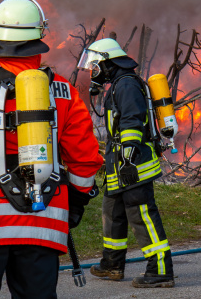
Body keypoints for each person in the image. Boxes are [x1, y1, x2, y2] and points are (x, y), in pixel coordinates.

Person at [0, 0, 103, 298]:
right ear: (39, 38)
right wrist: (76, 203)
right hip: (43, 221)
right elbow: (85, 160)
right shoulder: (63, 91)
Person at [78, 38, 174, 288]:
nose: (93, 71)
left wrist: (129, 159)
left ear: (108, 63)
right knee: (113, 213)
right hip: (118, 165)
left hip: (133, 166)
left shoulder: (127, 85)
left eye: (96, 65)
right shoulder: (119, 84)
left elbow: (132, 121)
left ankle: (160, 270)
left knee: (142, 215)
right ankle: (112, 265)